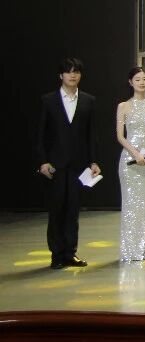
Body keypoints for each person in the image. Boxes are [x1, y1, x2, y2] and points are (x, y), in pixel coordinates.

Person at [37, 57, 101, 269]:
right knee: (56, 210)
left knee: (73, 210)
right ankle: (56, 255)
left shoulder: (88, 100)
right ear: (61, 75)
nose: (72, 75)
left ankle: (70, 253)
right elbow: (41, 134)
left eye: (76, 72)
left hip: (79, 165)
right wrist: (43, 161)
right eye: (68, 71)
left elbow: (91, 134)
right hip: (55, 165)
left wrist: (93, 161)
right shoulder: (48, 100)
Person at [117, 66, 145, 262]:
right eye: (137, 79)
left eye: (144, 79)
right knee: (130, 204)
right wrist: (135, 154)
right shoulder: (123, 106)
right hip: (129, 160)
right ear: (130, 82)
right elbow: (120, 136)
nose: (141, 82)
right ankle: (131, 249)